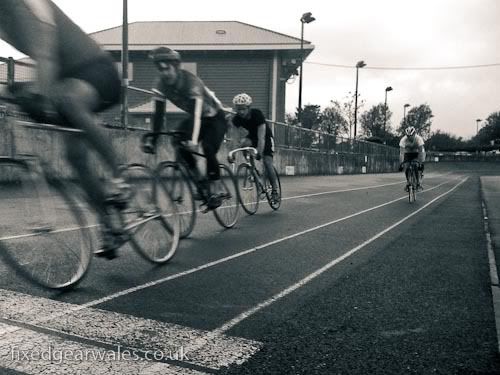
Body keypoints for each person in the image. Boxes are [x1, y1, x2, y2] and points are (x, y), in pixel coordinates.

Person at [0, 0, 129, 258]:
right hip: (63, 78)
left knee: (69, 101)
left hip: (96, 70)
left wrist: (40, 96)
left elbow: (45, 54)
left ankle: (119, 178)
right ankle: (110, 227)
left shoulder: (23, 5)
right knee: (76, 158)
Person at [143, 47, 228, 208]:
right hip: (199, 119)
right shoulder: (160, 85)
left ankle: (216, 190)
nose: (164, 73)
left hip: (215, 117)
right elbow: (159, 114)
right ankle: (201, 181)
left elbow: (196, 114)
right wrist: (152, 139)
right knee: (179, 142)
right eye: (160, 69)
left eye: (167, 68)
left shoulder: (191, 82)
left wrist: (194, 140)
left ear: (175, 67)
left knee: (208, 148)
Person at [230, 93, 279, 202]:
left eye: (243, 109)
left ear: (248, 108)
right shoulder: (236, 119)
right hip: (252, 137)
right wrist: (232, 152)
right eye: (238, 109)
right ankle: (253, 170)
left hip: (265, 137)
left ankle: (275, 190)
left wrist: (259, 153)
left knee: (267, 162)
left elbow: (261, 138)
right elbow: (235, 139)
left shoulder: (257, 114)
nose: (241, 112)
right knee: (243, 144)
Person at [398, 126, 426, 190]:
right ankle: (408, 182)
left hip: (417, 153)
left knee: (416, 164)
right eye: (408, 136)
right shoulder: (403, 140)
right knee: (406, 166)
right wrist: (401, 164)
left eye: (411, 136)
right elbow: (401, 153)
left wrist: (421, 163)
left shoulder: (419, 139)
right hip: (408, 153)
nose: (409, 137)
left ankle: (418, 182)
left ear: (414, 134)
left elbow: (421, 152)